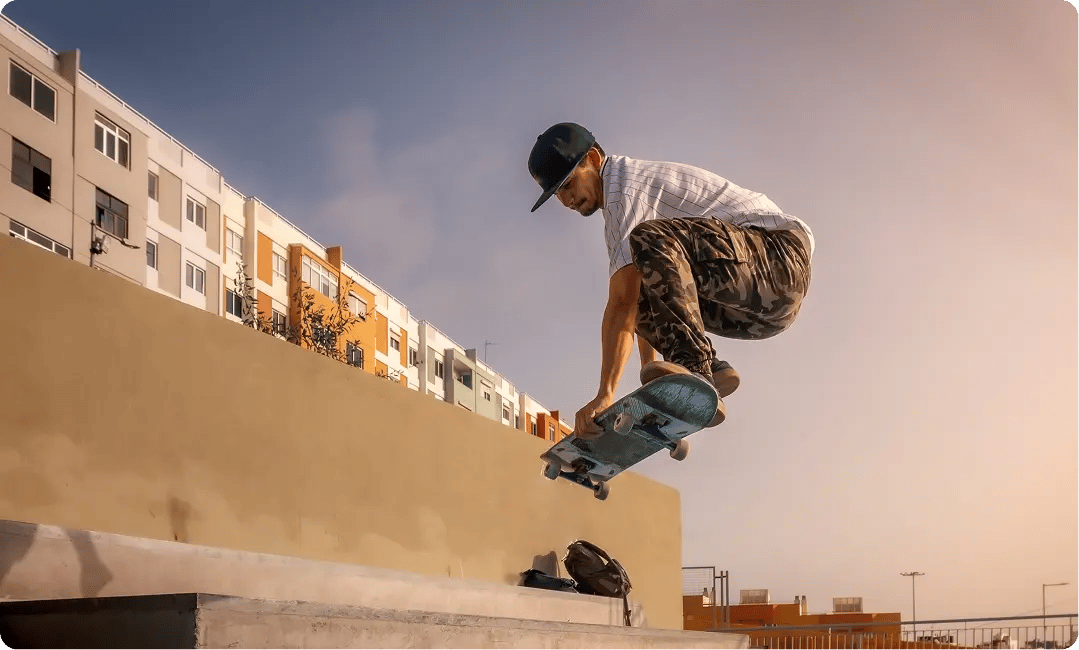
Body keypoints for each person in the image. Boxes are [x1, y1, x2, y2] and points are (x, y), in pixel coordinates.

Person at [527, 122, 814, 437]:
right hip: (763, 309)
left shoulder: (625, 188)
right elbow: (638, 299)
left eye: (568, 184)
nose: (566, 199)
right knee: (640, 282)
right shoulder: (620, 210)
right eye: (557, 194)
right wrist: (650, 378)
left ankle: (695, 365)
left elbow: (621, 304)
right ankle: (708, 371)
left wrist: (605, 393)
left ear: (594, 160)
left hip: (777, 256)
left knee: (645, 245)